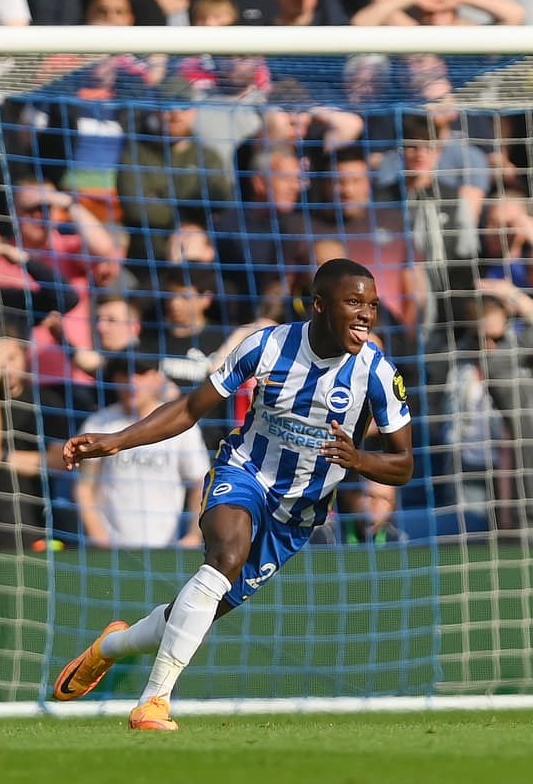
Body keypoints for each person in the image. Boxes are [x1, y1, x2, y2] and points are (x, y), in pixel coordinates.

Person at [51, 259, 413, 731]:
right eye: (353, 303)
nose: (365, 314)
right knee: (226, 555)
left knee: (197, 610)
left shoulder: (379, 373)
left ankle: (110, 648)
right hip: (243, 472)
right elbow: (189, 406)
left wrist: (359, 459)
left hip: (298, 514)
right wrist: (115, 441)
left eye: (371, 305)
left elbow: (403, 465)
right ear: (320, 306)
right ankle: (153, 703)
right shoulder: (265, 345)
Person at [73, 354, 210, 549]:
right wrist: (98, 536)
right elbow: (84, 485)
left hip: (166, 549)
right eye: (125, 374)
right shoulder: (98, 424)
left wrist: (193, 536)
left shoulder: (179, 425)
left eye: (140, 373)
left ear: (157, 377)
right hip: (109, 550)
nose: (132, 381)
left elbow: (200, 482)